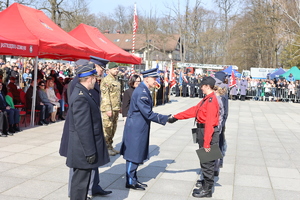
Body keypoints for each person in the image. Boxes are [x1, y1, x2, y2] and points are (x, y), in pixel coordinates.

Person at [59, 56, 111, 199]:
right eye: (95, 75)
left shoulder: (84, 90)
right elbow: (83, 126)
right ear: (89, 78)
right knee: (80, 181)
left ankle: (90, 189)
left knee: (83, 178)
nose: (97, 78)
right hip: (82, 145)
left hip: (85, 142)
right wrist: (89, 151)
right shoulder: (81, 93)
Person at [168, 76, 220, 198]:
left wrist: (207, 143)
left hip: (208, 133)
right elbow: (194, 110)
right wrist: (176, 117)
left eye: (202, 86)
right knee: (204, 160)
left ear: (207, 86)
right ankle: (206, 183)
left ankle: (207, 190)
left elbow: (210, 123)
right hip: (202, 130)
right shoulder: (207, 99)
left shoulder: (211, 100)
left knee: (207, 161)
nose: (200, 88)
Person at [120, 68, 170, 191]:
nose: (156, 81)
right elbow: (147, 113)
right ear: (147, 79)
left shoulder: (143, 89)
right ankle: (130, 181)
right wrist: (165, 118)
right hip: (136, 127)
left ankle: (133, 178)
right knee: (133, 154)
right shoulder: (141, 92)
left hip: (138, 126)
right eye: (154, 79)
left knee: (136, 152)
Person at [100, 62, 121, 156]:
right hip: (108, 108)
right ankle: (105, 148)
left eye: (117, 69)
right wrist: (108, 109)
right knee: (107, 128)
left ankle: (110, 146)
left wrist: (119, 106)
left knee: (113, 128)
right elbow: (105, 96)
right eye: (114, 69)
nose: (116, 70)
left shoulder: (116, 80)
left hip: (115, 108)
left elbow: (117, 95)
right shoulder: (106, 81)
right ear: (109, 70)